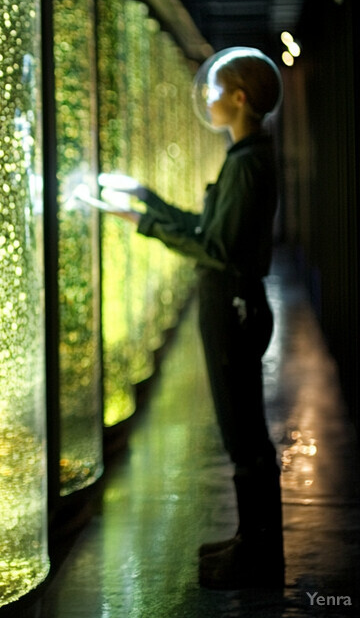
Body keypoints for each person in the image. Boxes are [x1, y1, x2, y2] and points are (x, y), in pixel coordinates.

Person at [108, 48, 284, 589]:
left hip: (231, 303)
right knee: (242, 429)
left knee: (243, 431)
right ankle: (251, 541)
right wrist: (148, 203)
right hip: (230, 301)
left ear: (238, 99)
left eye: (214, 90)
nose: (205, 101)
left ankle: (259, 555)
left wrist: (145, 220)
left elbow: (216, 245)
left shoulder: (249, 162)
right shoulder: (244, 157)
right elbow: (209, 228)